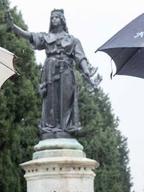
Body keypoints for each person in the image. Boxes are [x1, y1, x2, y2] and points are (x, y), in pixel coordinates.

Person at [7, 9, 98, 139]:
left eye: (56, 17)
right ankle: (50, 128)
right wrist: (13, 27)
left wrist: (87, 72)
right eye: (52, 18)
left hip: (66, 72)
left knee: (66, 100)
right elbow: (29, 35)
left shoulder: (73, 40)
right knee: (50, 101)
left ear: (62, 19)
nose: (53, 20)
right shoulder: (47, 37)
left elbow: (81, 57)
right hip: (50, 71)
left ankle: (66, 128)